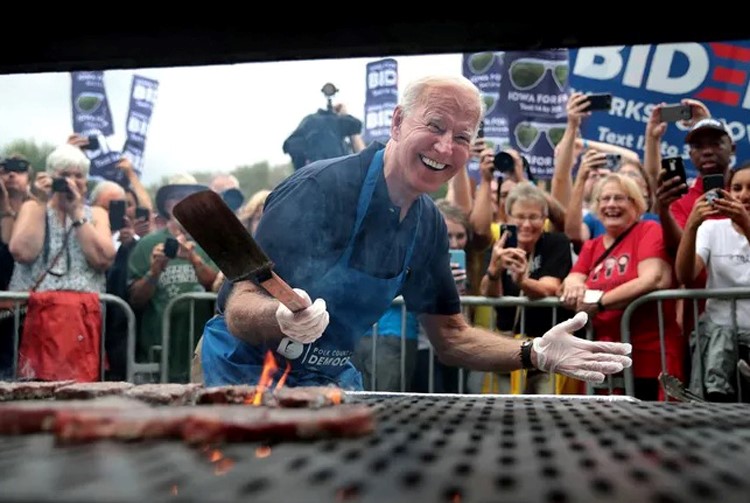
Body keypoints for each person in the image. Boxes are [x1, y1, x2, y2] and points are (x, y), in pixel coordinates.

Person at [200, 75, 632, 390]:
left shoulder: (428, 225)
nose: (445, 148)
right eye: (435, 126)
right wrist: (277, 317)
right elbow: (240, 303)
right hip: (243, 369)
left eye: (462, 137)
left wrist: (533, 351)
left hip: (324, 377)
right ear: (397, 122)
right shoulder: (321, 187)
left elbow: (452, 337)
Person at [560, 173, 681, 400]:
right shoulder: (592, 245)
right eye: (604, 199)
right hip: (603, 358)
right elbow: (574, 277)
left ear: (636, 204)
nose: (611, 205)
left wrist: (600, 303)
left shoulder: (648, 230)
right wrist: (574, 283)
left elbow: (654, 278)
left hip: (649, 354)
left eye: (619, 198)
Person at [675, 161, 750, 401]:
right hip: (719, 338)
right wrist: (692, 226)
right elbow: (686, 275)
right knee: (718, 410)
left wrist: (746, 223)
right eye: (737, 188)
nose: (744, 195)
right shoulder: (711, 228)